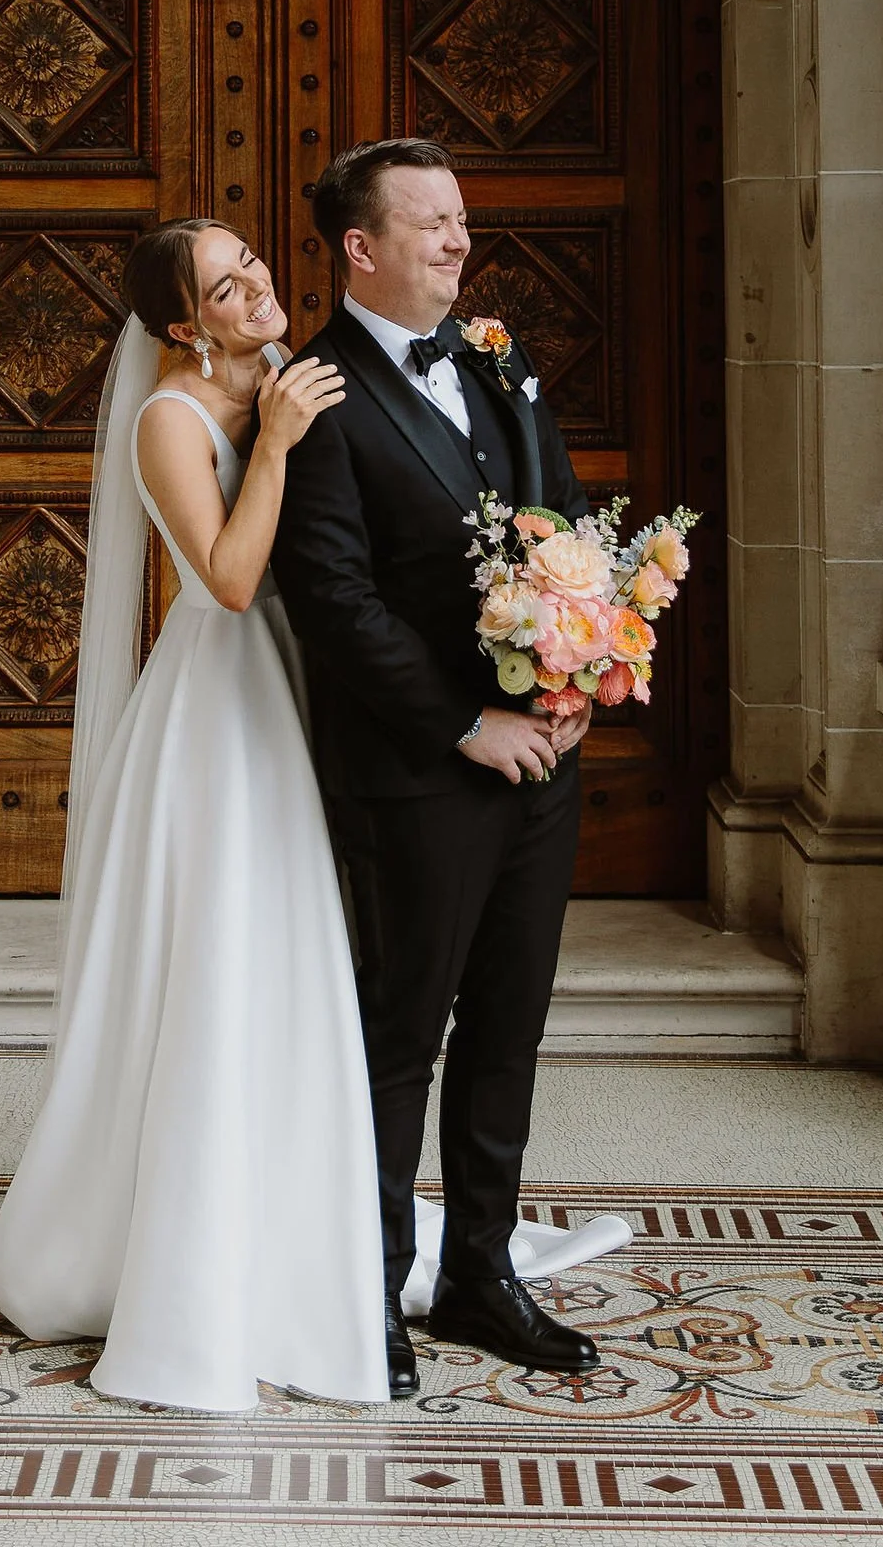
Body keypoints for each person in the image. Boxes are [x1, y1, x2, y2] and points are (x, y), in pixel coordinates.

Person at [0, 218, 387, 1412]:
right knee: (218, 965)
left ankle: (294, 1221)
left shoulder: (283, 369)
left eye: (249, 264)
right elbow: (230, 580)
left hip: (296, 689)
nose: (254, 287)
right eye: (223, 287)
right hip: (219, 718)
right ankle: (177, 1255)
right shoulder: (168, 418)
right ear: (179, 324)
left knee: (288, 969)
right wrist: (276, 448)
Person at [274, 138, 604, 1400]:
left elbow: (563, 515)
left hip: (541, 759)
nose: (459, 242)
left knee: (508, 1026)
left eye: (461, 219)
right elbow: (335, 601)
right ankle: (365, 1296)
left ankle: (479, 1273)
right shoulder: (314, 396)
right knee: (398, 1038)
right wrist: (464, 725)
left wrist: (576, 678)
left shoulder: (495, 356)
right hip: (416, 774)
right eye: (430, 224)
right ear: (360, 248)